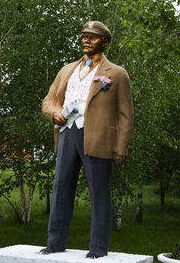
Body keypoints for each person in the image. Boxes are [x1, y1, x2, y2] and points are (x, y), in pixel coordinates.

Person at [40, 21, 134, 258]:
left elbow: (126, 114)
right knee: (61, 189)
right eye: (84, 36)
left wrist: (121, 147)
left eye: (92, 37)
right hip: (66, 135)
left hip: (99, 138)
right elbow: (48, 100)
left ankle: (98, 248)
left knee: (100, 192)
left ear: (104, 41)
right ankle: (55, 243)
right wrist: (55, 113)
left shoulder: (117, 73)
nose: (86, 40)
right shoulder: (66, 70)